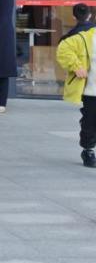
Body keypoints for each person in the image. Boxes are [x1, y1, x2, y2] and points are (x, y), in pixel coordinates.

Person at [56, 15, 96, 167]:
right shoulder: (86, 37)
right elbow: (64, 49)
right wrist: (76, 66)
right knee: (90, 122)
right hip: (92, 91)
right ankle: (88, 150)